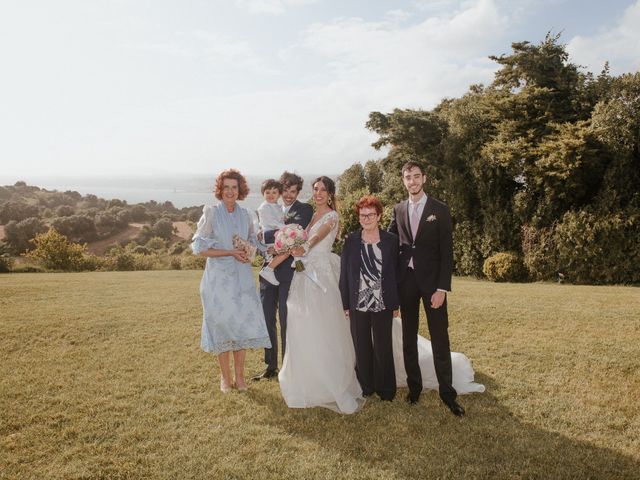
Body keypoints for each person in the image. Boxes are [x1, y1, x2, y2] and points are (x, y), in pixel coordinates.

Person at [277, 176, 365, 414]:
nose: (318, 193)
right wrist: (285, 246)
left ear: (330, 194)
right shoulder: (311, 216)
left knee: (324, 327)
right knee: (303, 326)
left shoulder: (331, 216)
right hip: (303, 274)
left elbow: (315, 239)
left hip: (321, 279)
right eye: (315, 189)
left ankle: (330, 382)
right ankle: (308, 379)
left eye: (323, 190)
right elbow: (302, 239)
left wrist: (302, 247)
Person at [388, 160, 467, 415]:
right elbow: (390, 244)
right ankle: (414, 389)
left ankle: (448, 393)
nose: (412, 181)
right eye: (408, 177)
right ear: (404, 181)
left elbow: (447, 252)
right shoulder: (398, 209)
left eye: (416, 176)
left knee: (440, 337)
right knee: (408, 338)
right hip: (406, 282)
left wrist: (442, 288)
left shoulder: (439, 209)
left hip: (433, 285)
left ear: (425, 178)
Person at [191, 168, 271, 393]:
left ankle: (241, 377)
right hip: (218, 280)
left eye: (234, 187)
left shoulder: (246, 215)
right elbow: (200, 249)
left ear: (240, 190)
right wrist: (230, 253)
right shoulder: (211, 213)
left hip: (242, 280)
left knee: (241, 326)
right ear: (220, 189)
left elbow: (253, 244)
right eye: (226, 187)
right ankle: (225, 378)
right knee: (223, 326)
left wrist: (251, 251)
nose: (230, 191)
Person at [252, 172, 313, 381]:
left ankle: (288, 367)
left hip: (289, 272)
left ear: (298, 192)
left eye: (292, 191)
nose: (287, 195)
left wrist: (266, 235)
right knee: (267, 319)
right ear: (278, 190)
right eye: (284, 190)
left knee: (287, 320)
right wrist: (260, 241)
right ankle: (271, 367)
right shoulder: (267, 208)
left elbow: (294, 234)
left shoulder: (304, 210)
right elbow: (260, 237)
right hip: (267, 271)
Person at [339, 195, 399, 401]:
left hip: (383, 301)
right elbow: (344, 274)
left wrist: (395, 302)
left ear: (379, 216)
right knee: (361, 345)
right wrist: (345, 303)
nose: (366, 218)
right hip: (358, 301)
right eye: (362, 215)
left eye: (370, 214)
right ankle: (366, 387)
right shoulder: (351, 240)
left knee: (383, 346)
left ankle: (386, 389)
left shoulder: (391, 240)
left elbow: (395, 273)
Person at [256, 178, 285, 286]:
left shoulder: (278, 207)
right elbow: (272, 222)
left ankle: (270, 269)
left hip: (274, 233)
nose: (270, 195)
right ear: (263, 193)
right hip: (269, 234)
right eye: (267, 192)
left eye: (274, 192)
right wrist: (286, 228)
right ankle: (268, 270)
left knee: (283, 250)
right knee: (287, 246)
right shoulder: (264, 207)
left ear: (279, 194)